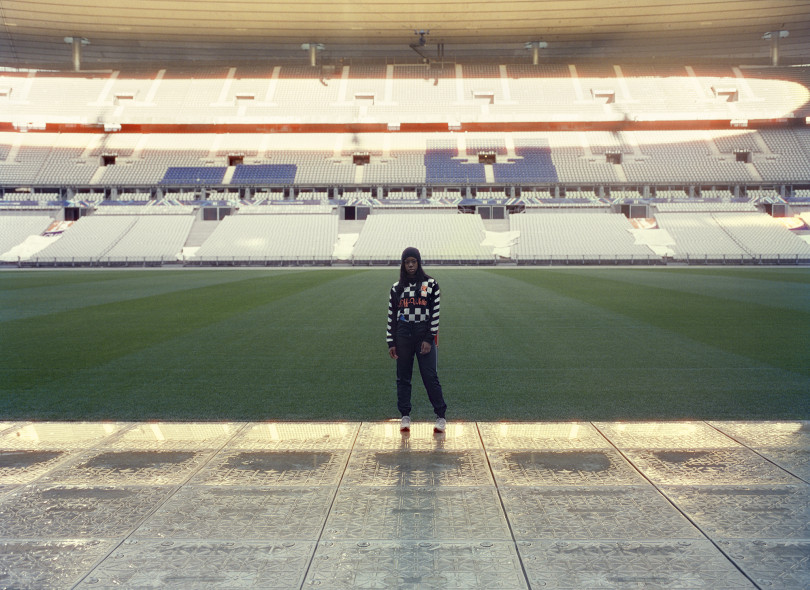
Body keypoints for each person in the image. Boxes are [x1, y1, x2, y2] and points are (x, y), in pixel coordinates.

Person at [386, 247, 447, 433]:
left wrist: (429, 338)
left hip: (423, 335)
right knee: (403, 377)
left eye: (414, 261)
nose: (411, 265)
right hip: (403, 334)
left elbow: (435, 314)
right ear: (403, 264)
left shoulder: (431, 284)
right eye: (407, 262)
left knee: (430, 376)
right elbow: (392, 315)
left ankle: (441, 416)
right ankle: (405, 416)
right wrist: (391, 341)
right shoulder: (397, 288)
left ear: (419, 262)